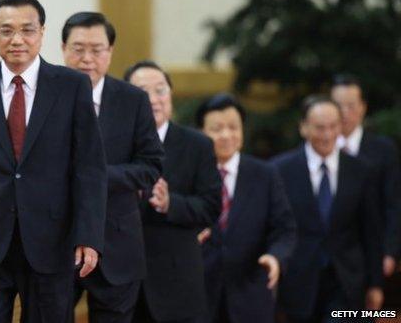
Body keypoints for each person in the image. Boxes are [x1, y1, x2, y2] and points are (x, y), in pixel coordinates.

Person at [0, 0, 107, 323]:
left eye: (27, 30)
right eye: (6, 30)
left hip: (51, 240)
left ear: (42, 32)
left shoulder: (72, 86)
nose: (17, 40)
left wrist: (89, 235)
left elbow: (89, 168)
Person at [61, 13, 164, 323]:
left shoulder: (133, 100)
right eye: (78, 49)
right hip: (54, 242)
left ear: (111, 52)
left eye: (97, 49)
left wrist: (96, 176)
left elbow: (151, 165)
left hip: (117, 242)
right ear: (63, 48)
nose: (87, 58)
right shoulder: (44, 96)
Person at [124, 60, 222, 323]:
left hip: (177, 283)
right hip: (123, 281)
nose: (154, 99)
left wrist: (171, 204)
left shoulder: (197, 145)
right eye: (143, 91)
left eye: (160, 90)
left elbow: (211, 206)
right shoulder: (113, 143)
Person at [273, 95, 383, 322]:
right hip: (298, 281)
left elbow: (371, 231)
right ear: (303, 127)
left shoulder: (361, 171)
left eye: (333, 126)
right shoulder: (279, 171)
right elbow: (274, 227)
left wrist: (375, 283)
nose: (327, 135)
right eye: (320, 128)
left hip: (347, 281)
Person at [195, 93, 296, 323]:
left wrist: (275, 257)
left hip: (250, 294)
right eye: (217, 128)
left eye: (233, 127)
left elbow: (284, 228)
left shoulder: (265, 174)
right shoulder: (191, 174)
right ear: (201, 133)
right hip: (199, 296)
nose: (226, 135)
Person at [330, 74, 401, 279]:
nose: (344, 113)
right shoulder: (318, 150)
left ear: (363, 107)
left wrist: (390, 251)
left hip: (369, 254)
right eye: (338, 105)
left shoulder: (383, 150)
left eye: (351, 105)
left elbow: (393, 204)